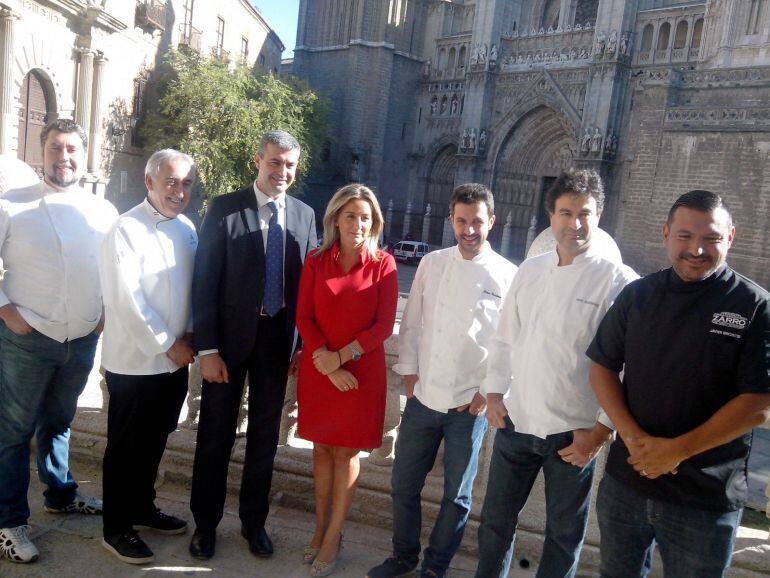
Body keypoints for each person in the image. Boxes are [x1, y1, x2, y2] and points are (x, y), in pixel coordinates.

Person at [587, 189, 770, 578]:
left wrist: (676, 452)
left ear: (731, 237)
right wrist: (634, 438)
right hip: (626, 484)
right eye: (685, 237)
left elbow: (758, 403)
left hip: (704, 499)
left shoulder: (755, 306)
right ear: (666, 233)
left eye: (711, 239)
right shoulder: (637, 295)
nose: (697, 250)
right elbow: (602, 366)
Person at [475, 169, 638, 578]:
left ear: (599, 215)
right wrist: (494, 393)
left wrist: (600, 432)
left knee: (564, 534)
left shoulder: (619, 282)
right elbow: (504, 338)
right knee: (495, 523)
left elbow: (628, 366)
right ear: (551, 215)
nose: (575, 223)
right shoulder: (530, 270)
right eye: (565, 212)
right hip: (517, 424)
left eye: (585, 213)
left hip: (573, 435)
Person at [366, 183, 517, 578]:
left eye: (478, 222)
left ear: (492, 222)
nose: (469, 230)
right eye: (462, 221)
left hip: (470, 405)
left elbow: (510, 342)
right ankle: (403, 557)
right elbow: (412, 322)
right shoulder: (432, 264)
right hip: (423, 398)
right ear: (451, 219)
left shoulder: (508, 275)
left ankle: (435, 567)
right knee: (403, 485)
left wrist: (487, 392)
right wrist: (411, 376)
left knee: (458, 496)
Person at [189, 130, 317, 560]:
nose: (282, 172)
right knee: (214, 437)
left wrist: (302, 345)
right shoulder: (225, 208)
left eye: (290, 165)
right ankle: (205, 526)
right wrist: (206, 350)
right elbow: (204, 281)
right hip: (225, 345)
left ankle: (253, 523)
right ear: (257, 161)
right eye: (275, 162)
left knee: (265, 439)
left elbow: (306, 287)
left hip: (277, 344)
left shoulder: (303, 214)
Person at [0, 119, 118, 564]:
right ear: (42, 151)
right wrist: (5, 310)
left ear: (83, 155)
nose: (63, 156)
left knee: (59, 421)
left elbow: (110, 267)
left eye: (71, 148)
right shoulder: (12, 203)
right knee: (12, 433)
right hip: (26, 337)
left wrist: (104, 311)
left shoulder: (101, 210)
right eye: (54, 147)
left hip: (82, 337)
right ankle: (8, 523)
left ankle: (61, 494)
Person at [98, 150, 198, 564]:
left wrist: (190, 335)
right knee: (125, 447)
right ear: (149, 182)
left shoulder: (189, 228)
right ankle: (116, 527)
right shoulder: (124, 228)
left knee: (155, 441)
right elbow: (126, 299)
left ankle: (142, 507)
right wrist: (167, 342)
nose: (178, 191)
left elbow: (193, 289)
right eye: (171, 182)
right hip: (135, 362)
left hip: (174, 362)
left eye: (186, 184)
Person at [296, 184, 398, 577]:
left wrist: (341, 357)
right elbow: (304, 316)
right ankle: (320, 528)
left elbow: (384, 326)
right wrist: (326, 360)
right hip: (320, 371)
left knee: (345, 454)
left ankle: (335, 535)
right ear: (335, 218)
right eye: (351, 215)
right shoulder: (315, 261)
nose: (358, 223)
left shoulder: (383, 264)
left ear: (374, 224)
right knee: (321, 450)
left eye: (366, 218)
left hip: (360, 375)